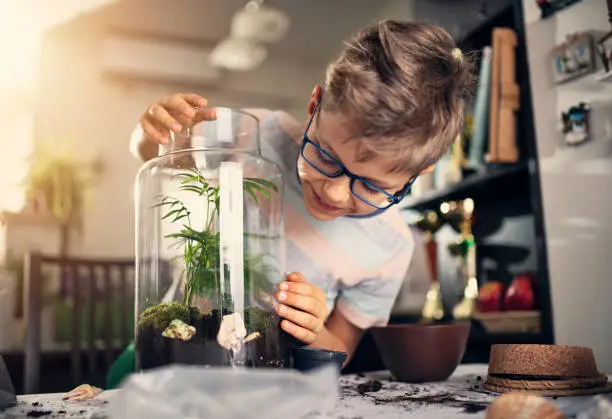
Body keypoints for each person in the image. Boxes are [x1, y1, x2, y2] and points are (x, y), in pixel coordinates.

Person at [109, 19, 472, 387]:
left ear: (418, 173)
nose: (334, 192)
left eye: (372, 186)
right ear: (315, 105)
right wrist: (153, 128)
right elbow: (152, 154)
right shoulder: (257, 132)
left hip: (264, 379)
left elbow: (340, 351)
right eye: (327, 157)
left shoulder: (390, 247)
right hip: (174, 349)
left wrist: (313, 330)